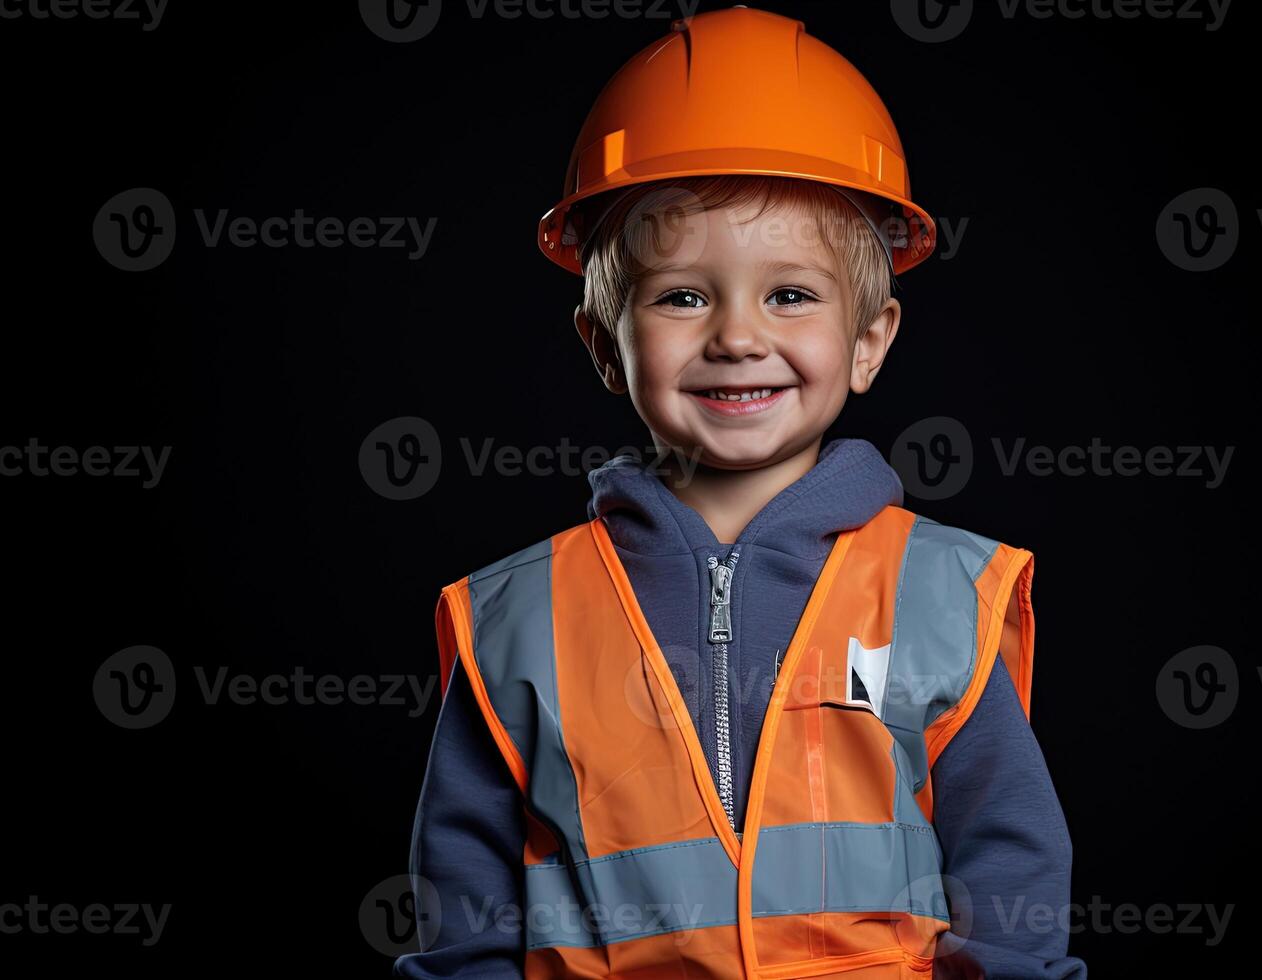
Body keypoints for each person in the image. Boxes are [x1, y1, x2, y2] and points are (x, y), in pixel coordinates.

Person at [395, 7, 1085, 977]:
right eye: (682, 295)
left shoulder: (943, 589)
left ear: (869, 340)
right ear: (604, 344)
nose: (736, 335)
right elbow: (465, 898)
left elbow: (1010, 858)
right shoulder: (514, 615)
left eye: (790, 294)